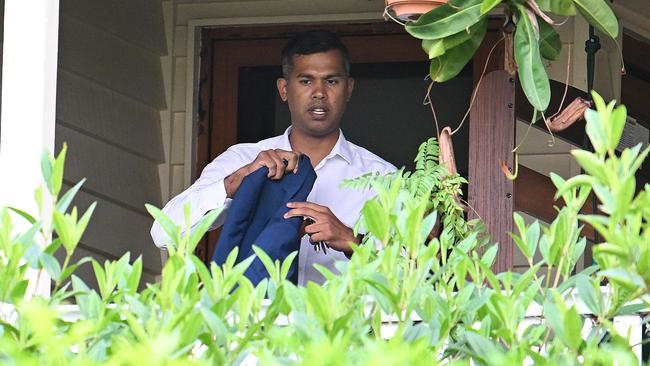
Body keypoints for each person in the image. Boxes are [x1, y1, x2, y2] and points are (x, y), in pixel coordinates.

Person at [151, 30, 396, 285]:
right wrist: (233, 184)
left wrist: (353, 241)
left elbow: (411, 275)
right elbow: (163, 233)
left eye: (332, 81)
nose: (319, 92)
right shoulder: (242, 159)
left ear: (349, 89)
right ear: (283, 89)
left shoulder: (383, 177)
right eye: (305, 81)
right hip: (256, 321)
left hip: (345, 323)